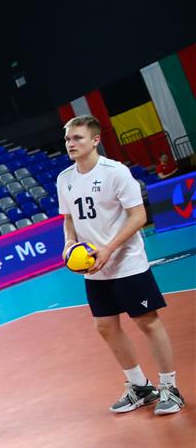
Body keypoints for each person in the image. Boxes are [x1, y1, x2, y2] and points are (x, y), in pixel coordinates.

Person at [59, 115, 183, 415]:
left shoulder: (115, 172)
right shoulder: (65, 179)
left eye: (77, 138)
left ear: (95, 140)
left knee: (147, 321)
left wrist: (109, 249)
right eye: (67, 139)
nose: (71, 144)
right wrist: (69, 243)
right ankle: (140, 387)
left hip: (127, 262)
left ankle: (170, 388)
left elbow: (139, 216)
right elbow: (69, 219)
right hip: (94, 267)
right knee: (105, 326)